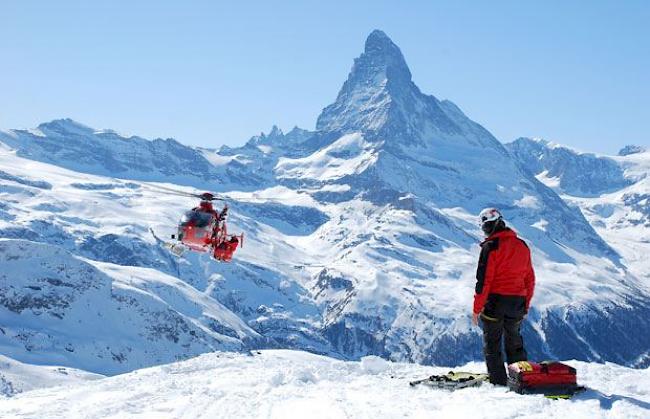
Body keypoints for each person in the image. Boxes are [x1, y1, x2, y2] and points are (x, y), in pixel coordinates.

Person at [473, 208, 535, 386]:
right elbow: (529, 279)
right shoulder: (522, 245)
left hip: (495, 303)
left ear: (488, 226)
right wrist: (526, 305)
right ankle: (522, 378)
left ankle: (499, 383)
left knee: (492, 344)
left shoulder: (490, 247)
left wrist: (476, 309)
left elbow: (483, 281)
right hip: (517, 302)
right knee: (514, 343)